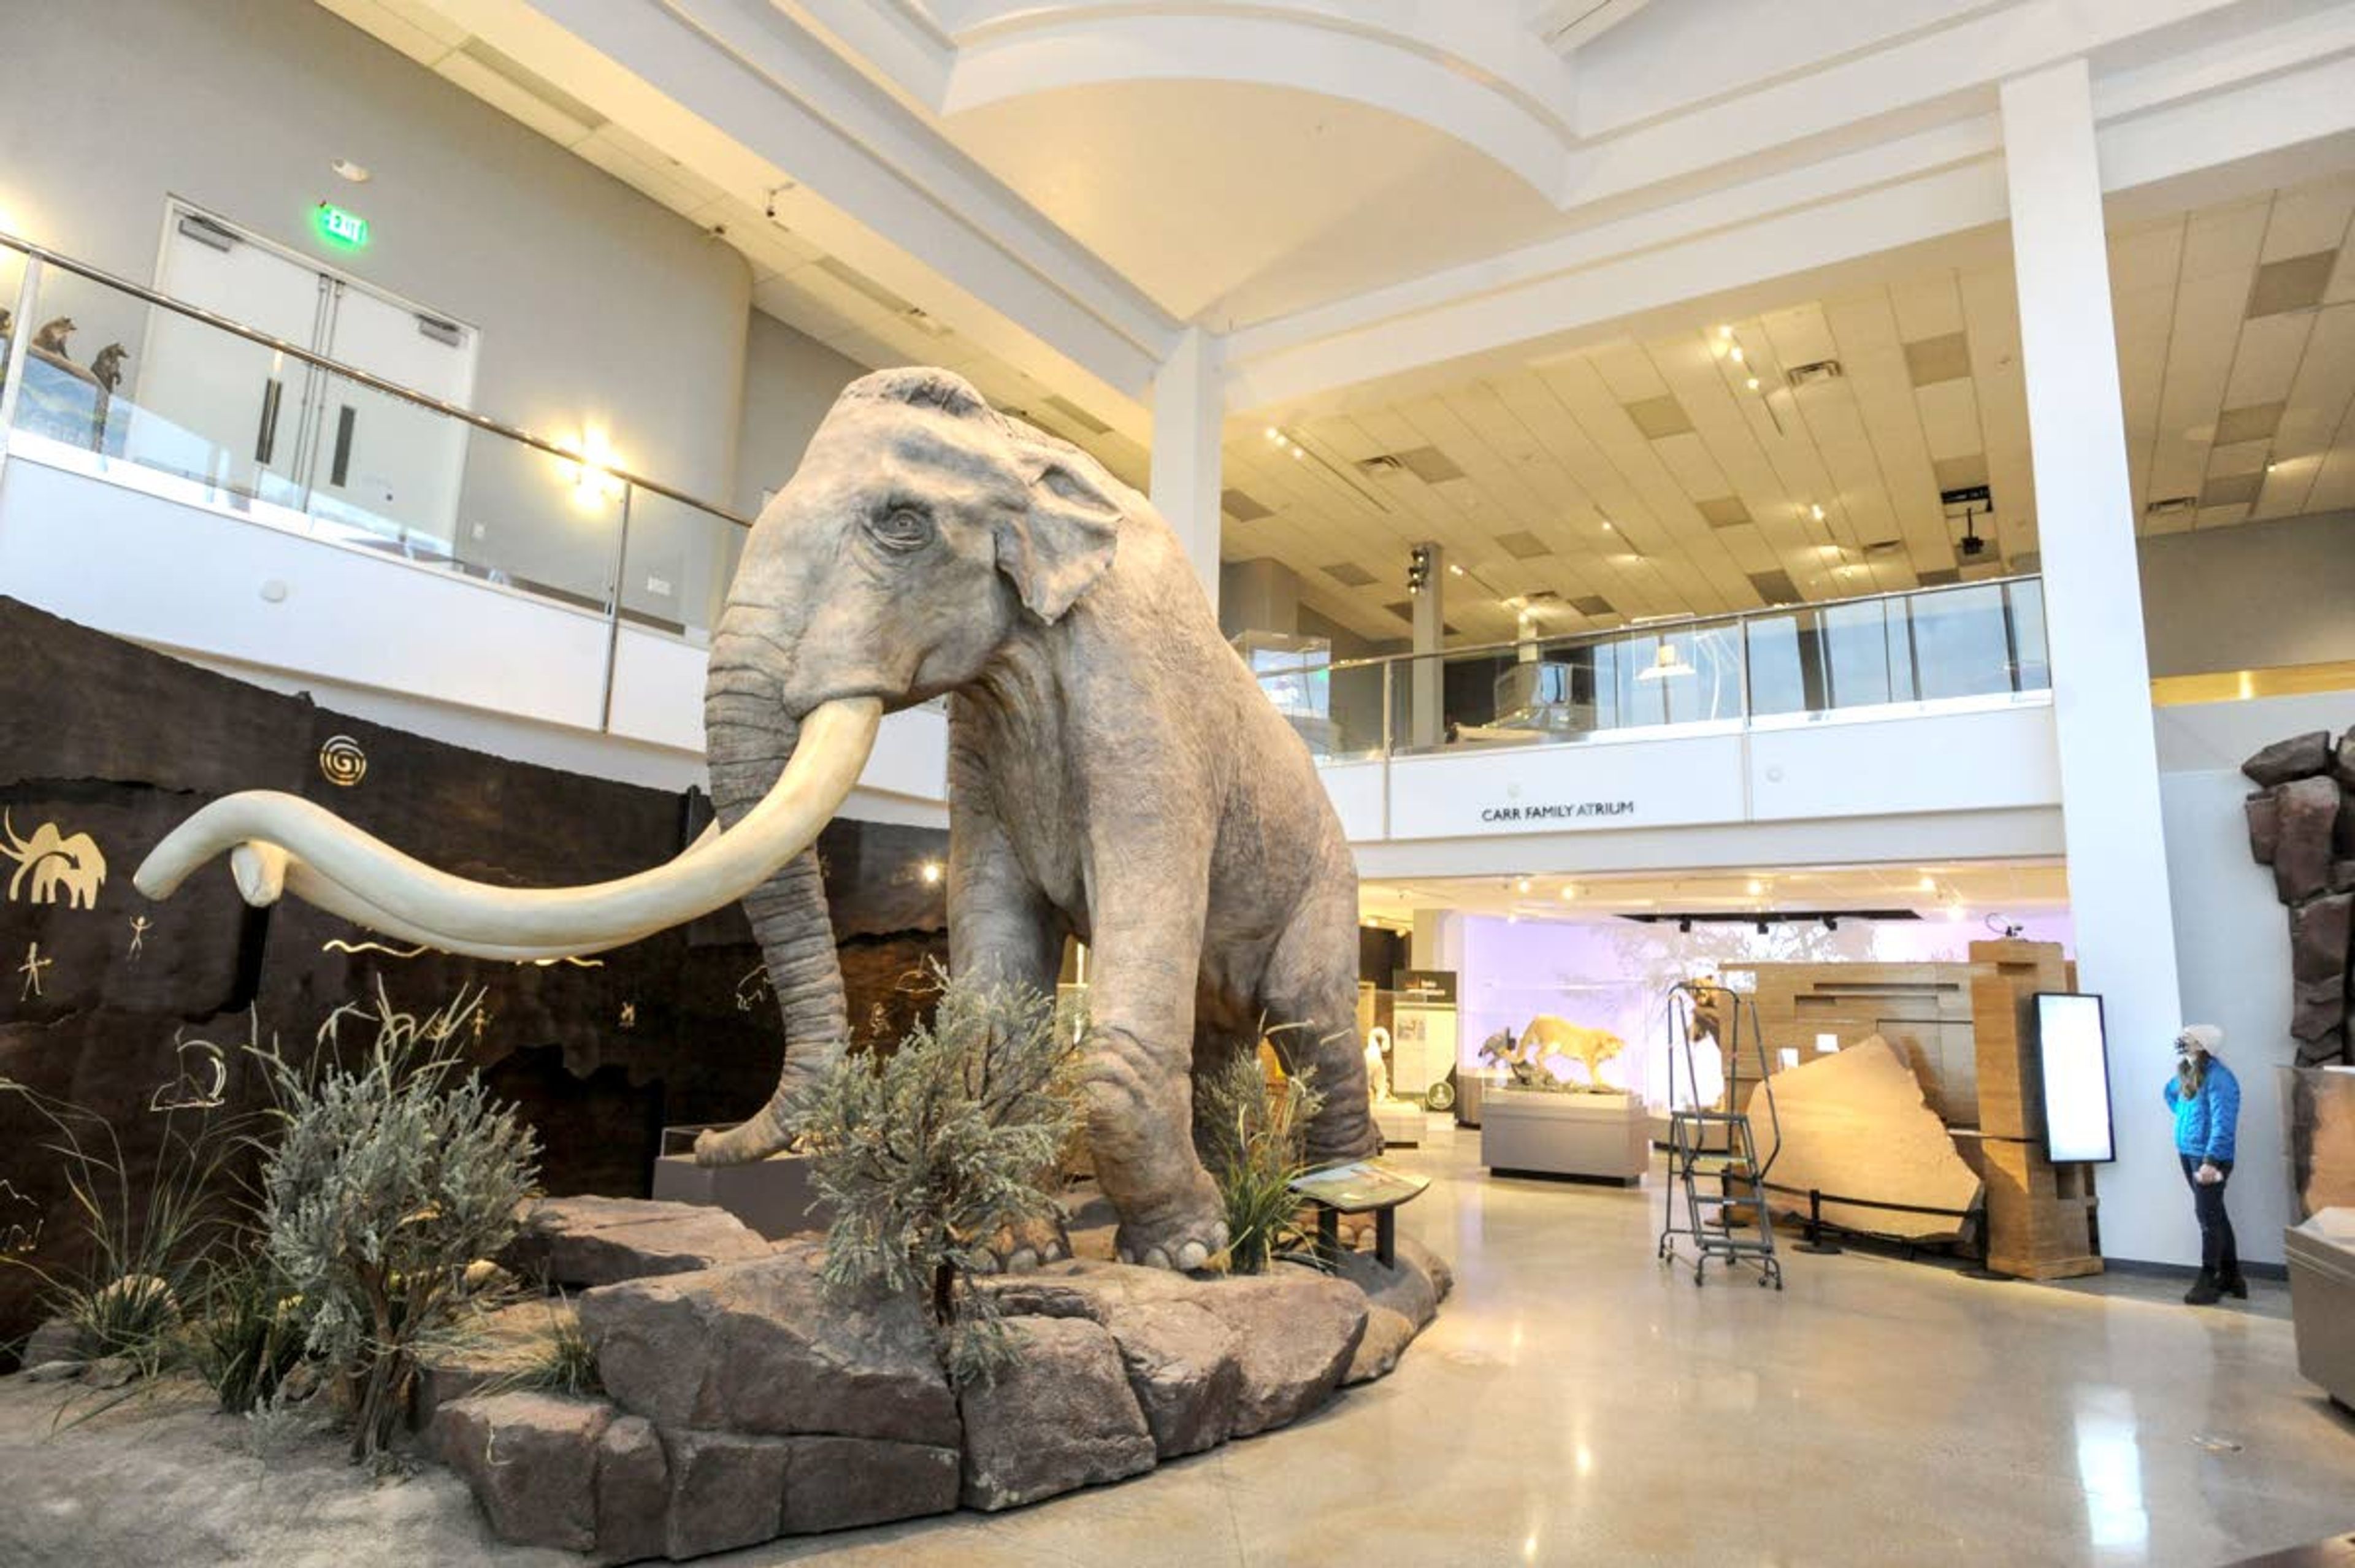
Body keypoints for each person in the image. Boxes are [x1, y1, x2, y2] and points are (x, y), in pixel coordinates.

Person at [2164, 1023, 2243, 1304]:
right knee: (2215, 1213)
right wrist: (2188, 1120)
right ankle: (2232, 1276)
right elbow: (2171, 1095)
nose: (2181, 1041)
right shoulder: (2186, 1073)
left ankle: (2209, 1278)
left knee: (2207, 1217)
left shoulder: (2221, 1079)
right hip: (2188, 1152)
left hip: (2209, 1158)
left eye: (2188, 1038)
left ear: (2203, 1045)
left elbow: (2224, 1124)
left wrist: (2211, 1161)